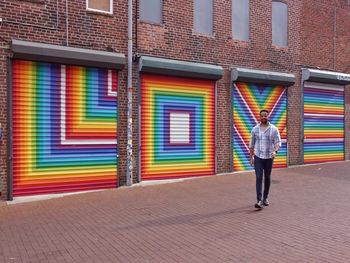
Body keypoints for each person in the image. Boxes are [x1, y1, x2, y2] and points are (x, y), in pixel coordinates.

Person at [249, 109, 281, 209]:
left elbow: (278, 143)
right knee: (259, 177)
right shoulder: (255, 129)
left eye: (265, 116)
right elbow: (251, 144)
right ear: (259, 117)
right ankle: (259, 200)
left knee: (267, 177)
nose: (263, 117)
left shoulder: (274, 129)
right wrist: (251, 157)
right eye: (262, 116)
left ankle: (265, 198)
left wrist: (275, 151)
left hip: (268, 158)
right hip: (258, 157)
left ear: (268, 116)